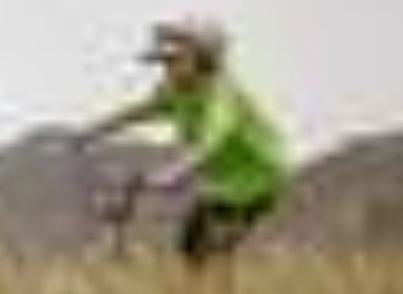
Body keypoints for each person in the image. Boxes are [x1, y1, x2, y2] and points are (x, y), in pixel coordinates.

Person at [74, 16, 291, 267]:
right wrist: (92, 132)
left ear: (204, 60)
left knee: (209, 247)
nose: (167, 70)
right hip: (225, 180)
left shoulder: (221, 96)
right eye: (164, 63)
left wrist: (175, 173)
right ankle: (212, 292)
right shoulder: (173, 91)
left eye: (175, 61)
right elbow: (139, 112)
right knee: (192, 248)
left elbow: (210, 141)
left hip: (259, 177)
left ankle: (229, 291)